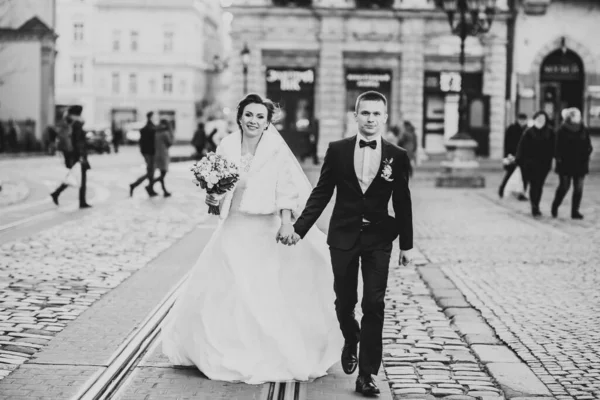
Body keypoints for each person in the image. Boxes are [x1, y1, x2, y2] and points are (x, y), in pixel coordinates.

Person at [161, 94, 342, 384]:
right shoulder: (227, 145)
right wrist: (212, 194)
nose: (253, 121)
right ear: (239, 117)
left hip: (266, 228)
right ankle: (227, 348)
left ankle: (269, 351)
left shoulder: (276, 150)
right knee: (230, 287)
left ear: (268, 122)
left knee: (263, 289)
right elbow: (217, 192)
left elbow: (286, 188)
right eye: (249, 115)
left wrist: (286, 222)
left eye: (260, 117)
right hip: (234, 226)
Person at [285, 91, 414, 397]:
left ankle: (367, 374)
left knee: (374, 303)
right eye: (365, 113)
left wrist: (407, 246)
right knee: (345, 302)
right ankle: (350, 337)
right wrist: (299, 229)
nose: (370, 119)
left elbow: (403, 201)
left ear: (384, 118)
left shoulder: (397, 155)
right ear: (355, 117)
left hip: (378, 238)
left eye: (376, 114)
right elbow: (322, 192)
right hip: (343, 236)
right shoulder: (338, 150)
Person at [551, 107, 593, 219]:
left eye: (579, 115)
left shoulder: (584, 129)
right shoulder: (562, 130)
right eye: (575, 116)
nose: (578, 118)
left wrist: (587, 153)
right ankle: (555, 206)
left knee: (578, 188)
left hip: (580, 163)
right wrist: (559, 159)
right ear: (570, 117)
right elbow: (556, 147)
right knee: (564, 187)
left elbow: (588, 145)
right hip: (566, 163)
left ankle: (575, 212)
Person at [50, 106, 92, 209]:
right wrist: (82, 155)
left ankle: (57, 193)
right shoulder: (76, 124)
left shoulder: (70, 122)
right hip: (78, 154)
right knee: (81, 177)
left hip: (73, 154)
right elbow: (78, 141)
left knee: (74, 176)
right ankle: (82, 201)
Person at [515, 111, 554, 218]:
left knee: (539, 185)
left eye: (543, 119)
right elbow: (521, 146)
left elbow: (554, 147)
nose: (541, 120)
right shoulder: (529, 131)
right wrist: (519, 160)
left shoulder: (550, 132)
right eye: (539, 118)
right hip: (530, 163)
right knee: (533, 185)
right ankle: (534, 207)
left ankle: (537, 203)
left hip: (544, 164)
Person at [498, 113, 529, 200]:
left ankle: (521, 193)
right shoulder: (512, 129)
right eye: (521, 120)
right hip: (513, 155)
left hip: (524, 156)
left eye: (524, 120)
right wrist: (509, 154)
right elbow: (507, 143)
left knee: (524, 176)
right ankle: (502, 189)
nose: (522, 122)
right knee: (509, 173)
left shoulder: (527, 129)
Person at [129, 112, 158, 197]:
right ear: (151, 117)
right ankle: (135, 185)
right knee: (150, 172)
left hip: (146, 152)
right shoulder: (152, 128)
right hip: (151, 152)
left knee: (151, 172)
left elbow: (141, 142)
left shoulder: (146, 128)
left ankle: (150, 188)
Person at [154, 119, 174, 197]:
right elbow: (170, 143)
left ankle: (164, 190)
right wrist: (171, 131)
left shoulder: (156, 132)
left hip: (157, 154)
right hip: (163, 154)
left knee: (161, 173)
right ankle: (151, 184)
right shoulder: (165, 133)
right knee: (163, 173)